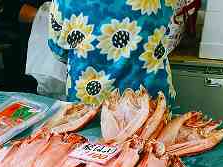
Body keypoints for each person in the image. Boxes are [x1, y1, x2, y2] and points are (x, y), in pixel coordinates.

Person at [48, 0, 176, 106]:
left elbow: (58, 49)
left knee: (89, 136)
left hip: (91, 104)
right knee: (155, 135)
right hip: (152, 98)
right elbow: (169, 28)